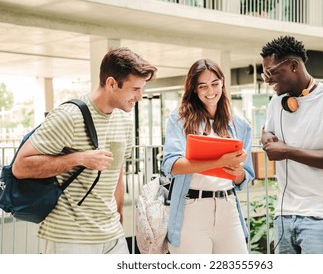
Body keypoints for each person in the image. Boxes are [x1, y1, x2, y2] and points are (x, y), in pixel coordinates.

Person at [12, 47, 157, 254]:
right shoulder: (68, 116)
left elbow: (117, 172)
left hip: (112, 234)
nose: (140, 97)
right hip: (68, 236)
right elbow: (20, 167)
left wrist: (118, 215)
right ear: (111, 83)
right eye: (135, 89)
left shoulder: (124, 120)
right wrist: (79, 158)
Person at [260, 35, 323, 254]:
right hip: (284, 214)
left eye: (272, 72)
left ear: (293, 65)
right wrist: (267, 138)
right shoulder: (277, 102)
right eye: (264, 73)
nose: (267, 80)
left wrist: (287, 151)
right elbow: (267, 130)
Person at [162, 59, 255, 254]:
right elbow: (171, 164)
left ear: (222, 82)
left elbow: (243, 178)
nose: (210, 91)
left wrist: (237, 171)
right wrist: (219, 162)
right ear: (194, 89)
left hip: (228, 207)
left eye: (214, 84)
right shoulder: (180, 119)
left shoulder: (240, 124)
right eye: (202, 86)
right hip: (192, 208)